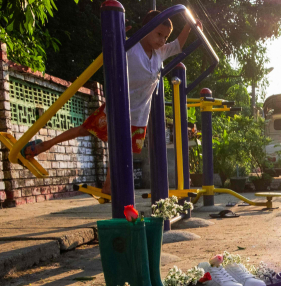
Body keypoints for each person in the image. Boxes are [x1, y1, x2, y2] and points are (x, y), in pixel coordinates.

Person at [22, 10, 195, 194]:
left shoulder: (160, 53)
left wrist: (190, 26)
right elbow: (112, 47)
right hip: (119, 107)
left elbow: (178, 45)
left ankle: (108, 186)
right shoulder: (131, 45)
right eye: (159, 34)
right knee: (84, 130)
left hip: (138, 115)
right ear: (146, 29)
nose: (162, 40)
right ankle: (43, 145)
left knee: (122, 149)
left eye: (165, 36)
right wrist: (119, 33)